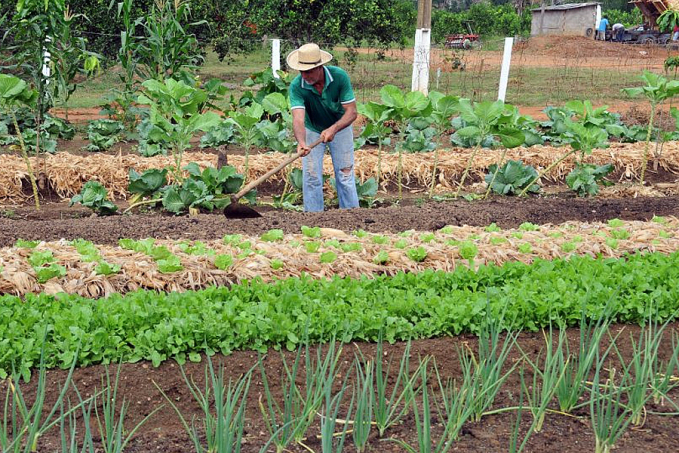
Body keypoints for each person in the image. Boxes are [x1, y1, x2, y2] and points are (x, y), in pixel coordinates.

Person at [287, 43, 359, 212]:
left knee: (345, 174)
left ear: (320, 67)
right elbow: (298, 118)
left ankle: (351, 216)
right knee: (311, 176)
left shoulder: (339, 77)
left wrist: (333, 129)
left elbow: (352, 112)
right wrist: (302, 142)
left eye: (309, 71)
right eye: (301, 71)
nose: (304, 75)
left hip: (340, 127)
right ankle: (313, 219)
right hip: (312, 128)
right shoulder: (297, 86)